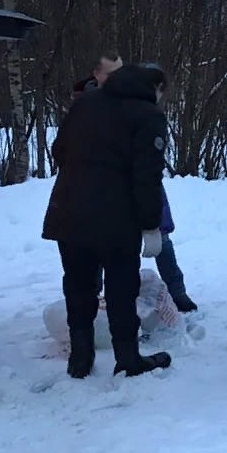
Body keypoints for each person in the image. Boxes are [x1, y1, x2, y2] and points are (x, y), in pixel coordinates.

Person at [43, 62, 173, 379]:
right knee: (121, 288)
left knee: (78, 285)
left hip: (69, 210)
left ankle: (80, 359)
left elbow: (58, 149)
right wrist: (151, 223)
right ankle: (128, 358)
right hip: (118, 219)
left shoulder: (85, 103)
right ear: (153, 89)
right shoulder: (148, 115)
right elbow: (147, 176)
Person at [71, 53, 197, 313]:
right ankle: (100, 301)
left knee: (158, 239)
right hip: (109, 188)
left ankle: (175, 291)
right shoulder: (99, 103)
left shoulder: (136, 106)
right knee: (105, 245)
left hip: (134, 183)